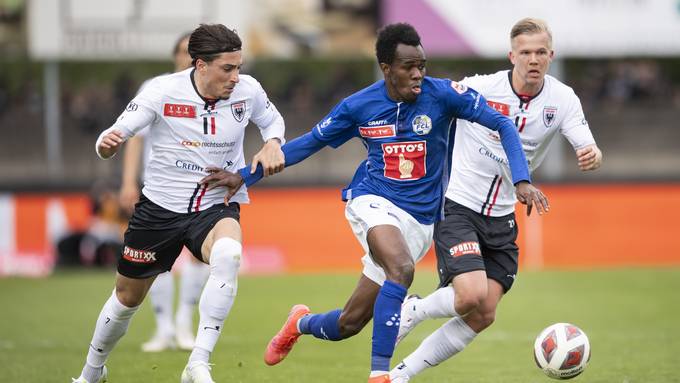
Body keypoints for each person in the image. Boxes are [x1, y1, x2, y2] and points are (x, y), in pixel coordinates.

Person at [199, 23, 548, 383]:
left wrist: (521, 179)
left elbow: (503, 125)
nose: (417, 74)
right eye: (408, 67)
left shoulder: (444, 95)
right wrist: (245, 175)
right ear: (386, 68)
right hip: (372, 200)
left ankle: (299, 323)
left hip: (420, 223)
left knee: (349, 322)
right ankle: (380, 375)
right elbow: (309, 143)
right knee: (401, 268)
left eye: (422, 66)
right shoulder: (359, 106)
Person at [389, 18, 602, 382]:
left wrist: (592, 153)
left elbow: (586, 142)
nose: (533, 60)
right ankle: (416, 309)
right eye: (525, 53)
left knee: (483, 312)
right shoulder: (479, 88)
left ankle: (401, 374)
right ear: (511, 56)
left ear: (551, 56)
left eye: (540, 53)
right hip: (458, 205)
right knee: (470, 294)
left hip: (502, 217)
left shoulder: (563, 99)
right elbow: (429, 98)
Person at [72, 23, 286, 383]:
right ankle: (92, 373)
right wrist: (106, 145)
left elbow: (272, 120)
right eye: (227, 68)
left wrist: (274, 141)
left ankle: (197, 363)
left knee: (229, 254)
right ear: (200, 65)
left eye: (239, 67)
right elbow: (119, 132)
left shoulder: (248, 91)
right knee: (126, 298)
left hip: (215, 204)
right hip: (159, 209)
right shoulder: (161, 91)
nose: (236, 77)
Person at [119, 32, 210, 353]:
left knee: (200, 258)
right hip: (161, 189)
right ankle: (164, 327)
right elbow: (135, 136)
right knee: (154, 258)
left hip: (202, 190)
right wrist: (129, 182)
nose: (190, 58)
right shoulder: (157, 87)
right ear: (175, 56)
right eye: (185, 52)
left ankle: (185, 322)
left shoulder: (216, 92)